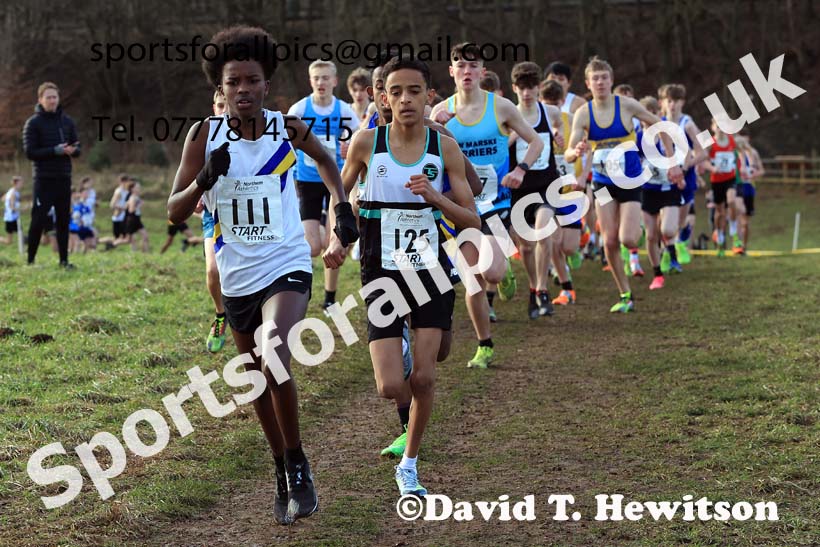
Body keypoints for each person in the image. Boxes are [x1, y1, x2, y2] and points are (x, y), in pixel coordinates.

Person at [167, 25, 356, 524]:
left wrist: (342, 207)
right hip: (236, 275)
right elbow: (173, 210)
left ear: (267, 84)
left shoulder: (287, 128)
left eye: (252, 80)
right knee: (256, 380)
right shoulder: (203, 136)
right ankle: (279, 465)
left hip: (286, 261)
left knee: (276, 350)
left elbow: (327, 161)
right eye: (234, 82)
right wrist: (205, 178)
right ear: (221, 88)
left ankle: (298, 462)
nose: (243, 90)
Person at [341, 56, 480, 496]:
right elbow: (339, 194)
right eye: (396, 92)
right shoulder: (366, 143)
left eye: (414, 91)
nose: (405, 99)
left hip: (429, 270)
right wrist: (335, 237)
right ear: (383, 98)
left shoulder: (445, 149)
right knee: (390, 386)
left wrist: (436, 198)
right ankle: (416, 340)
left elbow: (471, 219)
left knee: (426, 376)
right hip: (380, 269)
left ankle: (409, 465)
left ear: (429, 97)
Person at [431, 42, 544, 368]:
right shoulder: (440, 112)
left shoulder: (502, 107)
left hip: (495, 203)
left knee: (492, 270)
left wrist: (520, 170)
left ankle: (505, 273)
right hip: (459, 207)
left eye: (473, 66)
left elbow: (534, 141)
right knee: (472, 280)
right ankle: (484, 345)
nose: (466, 72)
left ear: (482, 71)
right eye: (460, 66)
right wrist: (434, 124)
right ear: (452, 71)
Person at [564, 57, 682, 313]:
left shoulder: (627, 106)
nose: (600, 82)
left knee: (627, 238)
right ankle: (625, 294)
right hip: (603, 184)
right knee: (609, 242)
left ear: (611, 80)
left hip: (629, 182)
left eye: (604, 77)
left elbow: (659, 126)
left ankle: (635, 228)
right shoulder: (583, 114)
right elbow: (568, 153)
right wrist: (576, 150)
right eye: (595, 78)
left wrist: (671, 162)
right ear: (588, 83)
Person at [287, 60, 359, 314]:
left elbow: (359, 139)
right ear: (310, 81)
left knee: (333, 241)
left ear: (335, 81)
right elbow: (285, 144)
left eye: (325, 78)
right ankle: (301, 289)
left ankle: (329, 297)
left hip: (335, 183)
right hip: (306, 182)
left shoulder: (344, 110)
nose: (321, 83)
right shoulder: (299, 109)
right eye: (316, 78)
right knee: (313, 247)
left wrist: (348, 146)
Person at [507, 62, 563, 319]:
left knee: (544, 233)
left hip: (546, 184)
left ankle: (542, 288)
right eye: (521, 88)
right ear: (514, 89)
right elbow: (501, 147)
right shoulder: (507, 116)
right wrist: (516, 137)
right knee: (526, 248)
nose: (527, 93)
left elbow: (562, 128)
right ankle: (533, 287)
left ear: (539, 87)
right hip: (519, 189)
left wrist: (560, 137)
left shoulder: (549, 112)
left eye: (531, 88)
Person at [539, 80, 590, 305]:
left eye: (555, 104)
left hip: (571, 191)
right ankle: (567, 288)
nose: (551, 108)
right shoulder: (536, 125)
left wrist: (582, 177)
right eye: (546, 104)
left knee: (568, 247)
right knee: (553, 241)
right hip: (548, 192)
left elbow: (589, 152)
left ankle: (583, 234)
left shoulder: (572, 122)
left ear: (562, 102)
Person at [23, 82, 81, 268]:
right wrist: (54, 151)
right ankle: (30, 261)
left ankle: (64, 261)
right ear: (40, 99)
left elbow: (78, 147)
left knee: (64, 220)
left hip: (64, 178)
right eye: (48, 97)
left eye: (54, 97)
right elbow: (30, 152)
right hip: (43, 179)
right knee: (38, 219)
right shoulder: (33, 123)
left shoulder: (67, 121)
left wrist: (74, 150)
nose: (52, 100)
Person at [636, 96, 684, 290]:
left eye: (652, 115)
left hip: (668, 189)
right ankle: (657, 274)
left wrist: (680, 174)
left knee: (668, 230)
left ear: (659, 114)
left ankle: (669, 251)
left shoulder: (668, 135)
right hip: (647, 191)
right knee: (650, 236)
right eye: (644, 116)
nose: (648, 120)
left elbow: (681, 154)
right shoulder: (638, 138)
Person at [659, 83, 707, 265]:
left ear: (682, 103)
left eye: (676, 101)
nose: (672, 105)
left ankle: (681, 238)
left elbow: (703, 152)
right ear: (662, 102)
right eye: (668, 101)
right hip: (665, 177)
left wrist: (685, 168)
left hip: (686, 176)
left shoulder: (688, 124)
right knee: (665, 219)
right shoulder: (659, 123)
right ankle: (667, 253)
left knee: (680, 219)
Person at [201, 90, 229, 352]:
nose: (224, 111)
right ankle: (221, 316)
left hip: (245, 215)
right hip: (213, 214)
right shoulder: (204, 134)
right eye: (220, 106)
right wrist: (196, 193)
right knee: (213, 269)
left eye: (227, 106)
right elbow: (191, 172)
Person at [703, 117, 737, 257]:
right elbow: (702, 161)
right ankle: (719, 235)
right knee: (720, 213)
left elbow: (740, 151)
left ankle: (733, 231)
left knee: (732, 201)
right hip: (717, 180)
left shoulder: (731, 139)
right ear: (713, 127)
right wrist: (712, 168)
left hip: (730, 178)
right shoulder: (709, 142)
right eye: (717, 126)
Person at [125, 181, 149, 252]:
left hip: (137, 219)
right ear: (132, 189)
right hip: (132, 219)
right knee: (132, 240)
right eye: (137, 187)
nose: (139, 189)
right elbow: (131, 210)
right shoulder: (133, 198)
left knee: (145, 236)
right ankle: (135, 254)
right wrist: (139, 205)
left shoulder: (136, 197)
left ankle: (145, 253)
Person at [109, 174, 132, 245]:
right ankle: (98, 241)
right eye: (128, 181)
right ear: (123, 182)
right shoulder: (119, 192)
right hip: (118, 218)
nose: (129, 183)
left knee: (122, 238)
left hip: (124, 218)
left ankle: (106, 244)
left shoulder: (127, 191)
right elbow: (112, 204)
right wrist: (123, 208)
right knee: (122, 238)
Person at [3, 176, 23, 245]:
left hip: (11, 218)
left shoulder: (11, 191)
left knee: (21, 236)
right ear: (16, 183)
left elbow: (3, 198)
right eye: (20, 182)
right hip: (11, 219)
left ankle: (24, 251)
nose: (22, 184)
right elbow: (12, 207)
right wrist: (22, 208)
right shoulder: (13, 193)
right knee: (9, 241)